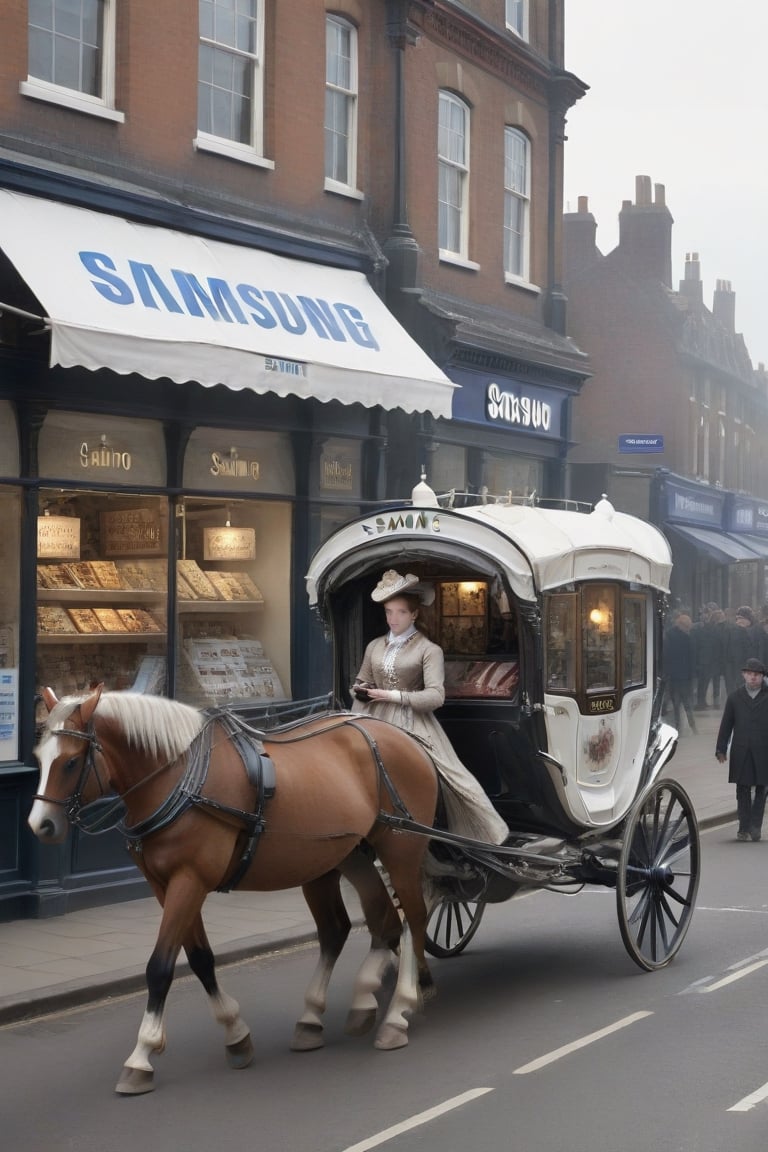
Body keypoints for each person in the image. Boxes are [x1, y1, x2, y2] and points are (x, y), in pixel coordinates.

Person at [351, 569, 508, 850]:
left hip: (412, 720)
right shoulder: (375, 645)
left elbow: (436, 696)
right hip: (374, 717)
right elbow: (363, 680)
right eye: (388, 612)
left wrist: (392, 695)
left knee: (454, 776)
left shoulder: (428, 649)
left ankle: (479, 834)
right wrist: (360, 690)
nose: (393, 618)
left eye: (400, 612)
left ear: (414, 615)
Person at [716, 657, 768, 842]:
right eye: (750, 674)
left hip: (764, 751)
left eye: (757, 675)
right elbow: (726, 725)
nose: (753, 678)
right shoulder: (735, 697)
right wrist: (721, 749)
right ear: (744, 675)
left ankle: (755, 827)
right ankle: (743, 827)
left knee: (762, 789)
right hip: (742, 750)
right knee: (743, 789)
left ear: (762, 677)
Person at [663, 613, 697, 735]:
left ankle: (678, 727)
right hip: (682, 676)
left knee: (677, 703)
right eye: (687, 626)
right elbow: (692, 657)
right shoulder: (687, 638)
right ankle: (691, 726)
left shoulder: (670, 635)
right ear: (682, 625)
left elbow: (666, 655)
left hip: (674, 675)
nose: (688, 629)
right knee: (685, 702)